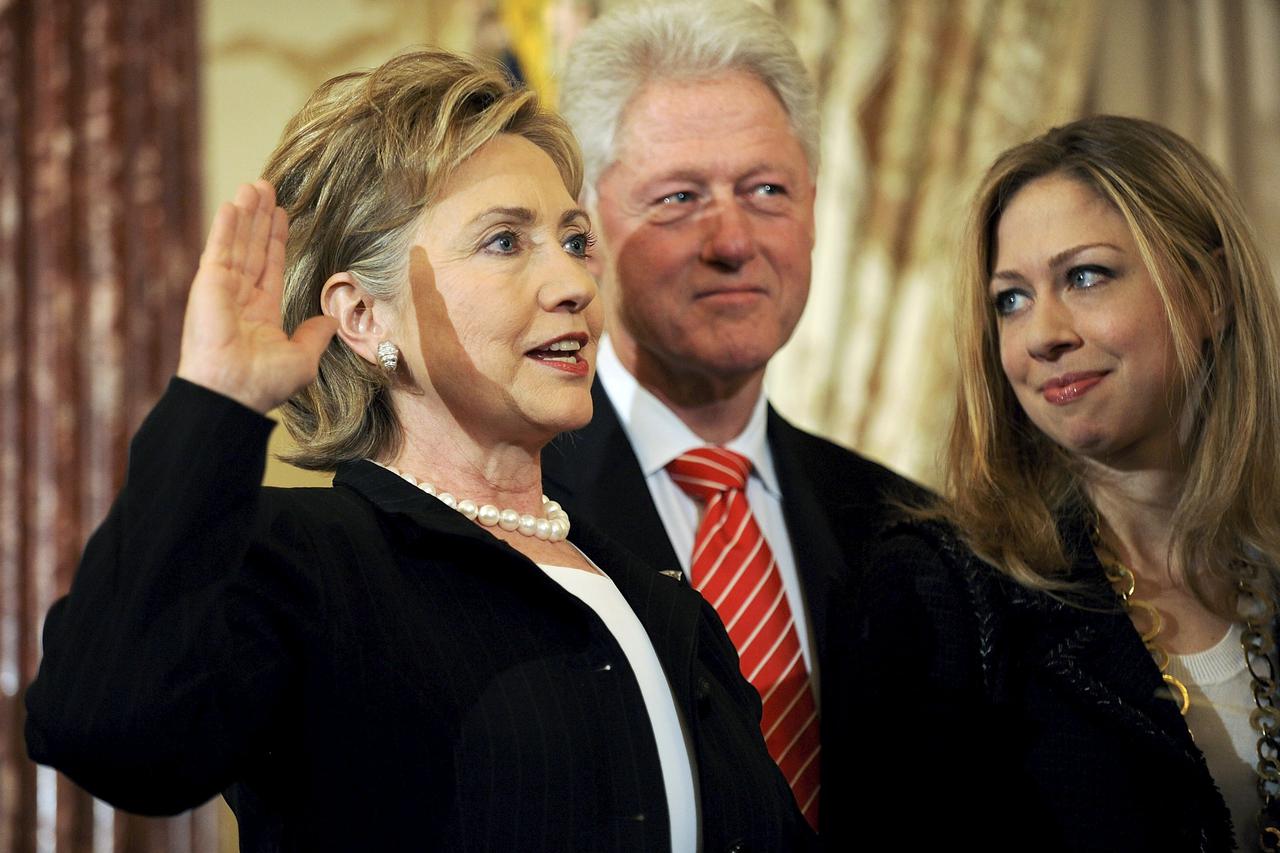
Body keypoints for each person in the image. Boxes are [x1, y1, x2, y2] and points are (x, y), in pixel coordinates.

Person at [23, 49, 816, 852]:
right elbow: (106, 729)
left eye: (575, 241)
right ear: (365, 316)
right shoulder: (300, 563)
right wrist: (216, 401)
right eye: (506, 242)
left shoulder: (661, 598)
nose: (573, 283)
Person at [831, 115, 1280, 851]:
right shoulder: (937, 590)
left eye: (1085, 276)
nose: (1043, 332)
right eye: (1011, 298)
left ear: (1211, 293)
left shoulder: (1266, 565)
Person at [540, 1, 923, 831]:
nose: (733, 240)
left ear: (814, 209)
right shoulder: (512, 511)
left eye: (767, 190)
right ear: (585, 231)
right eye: (679, 197)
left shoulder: (909, 527)